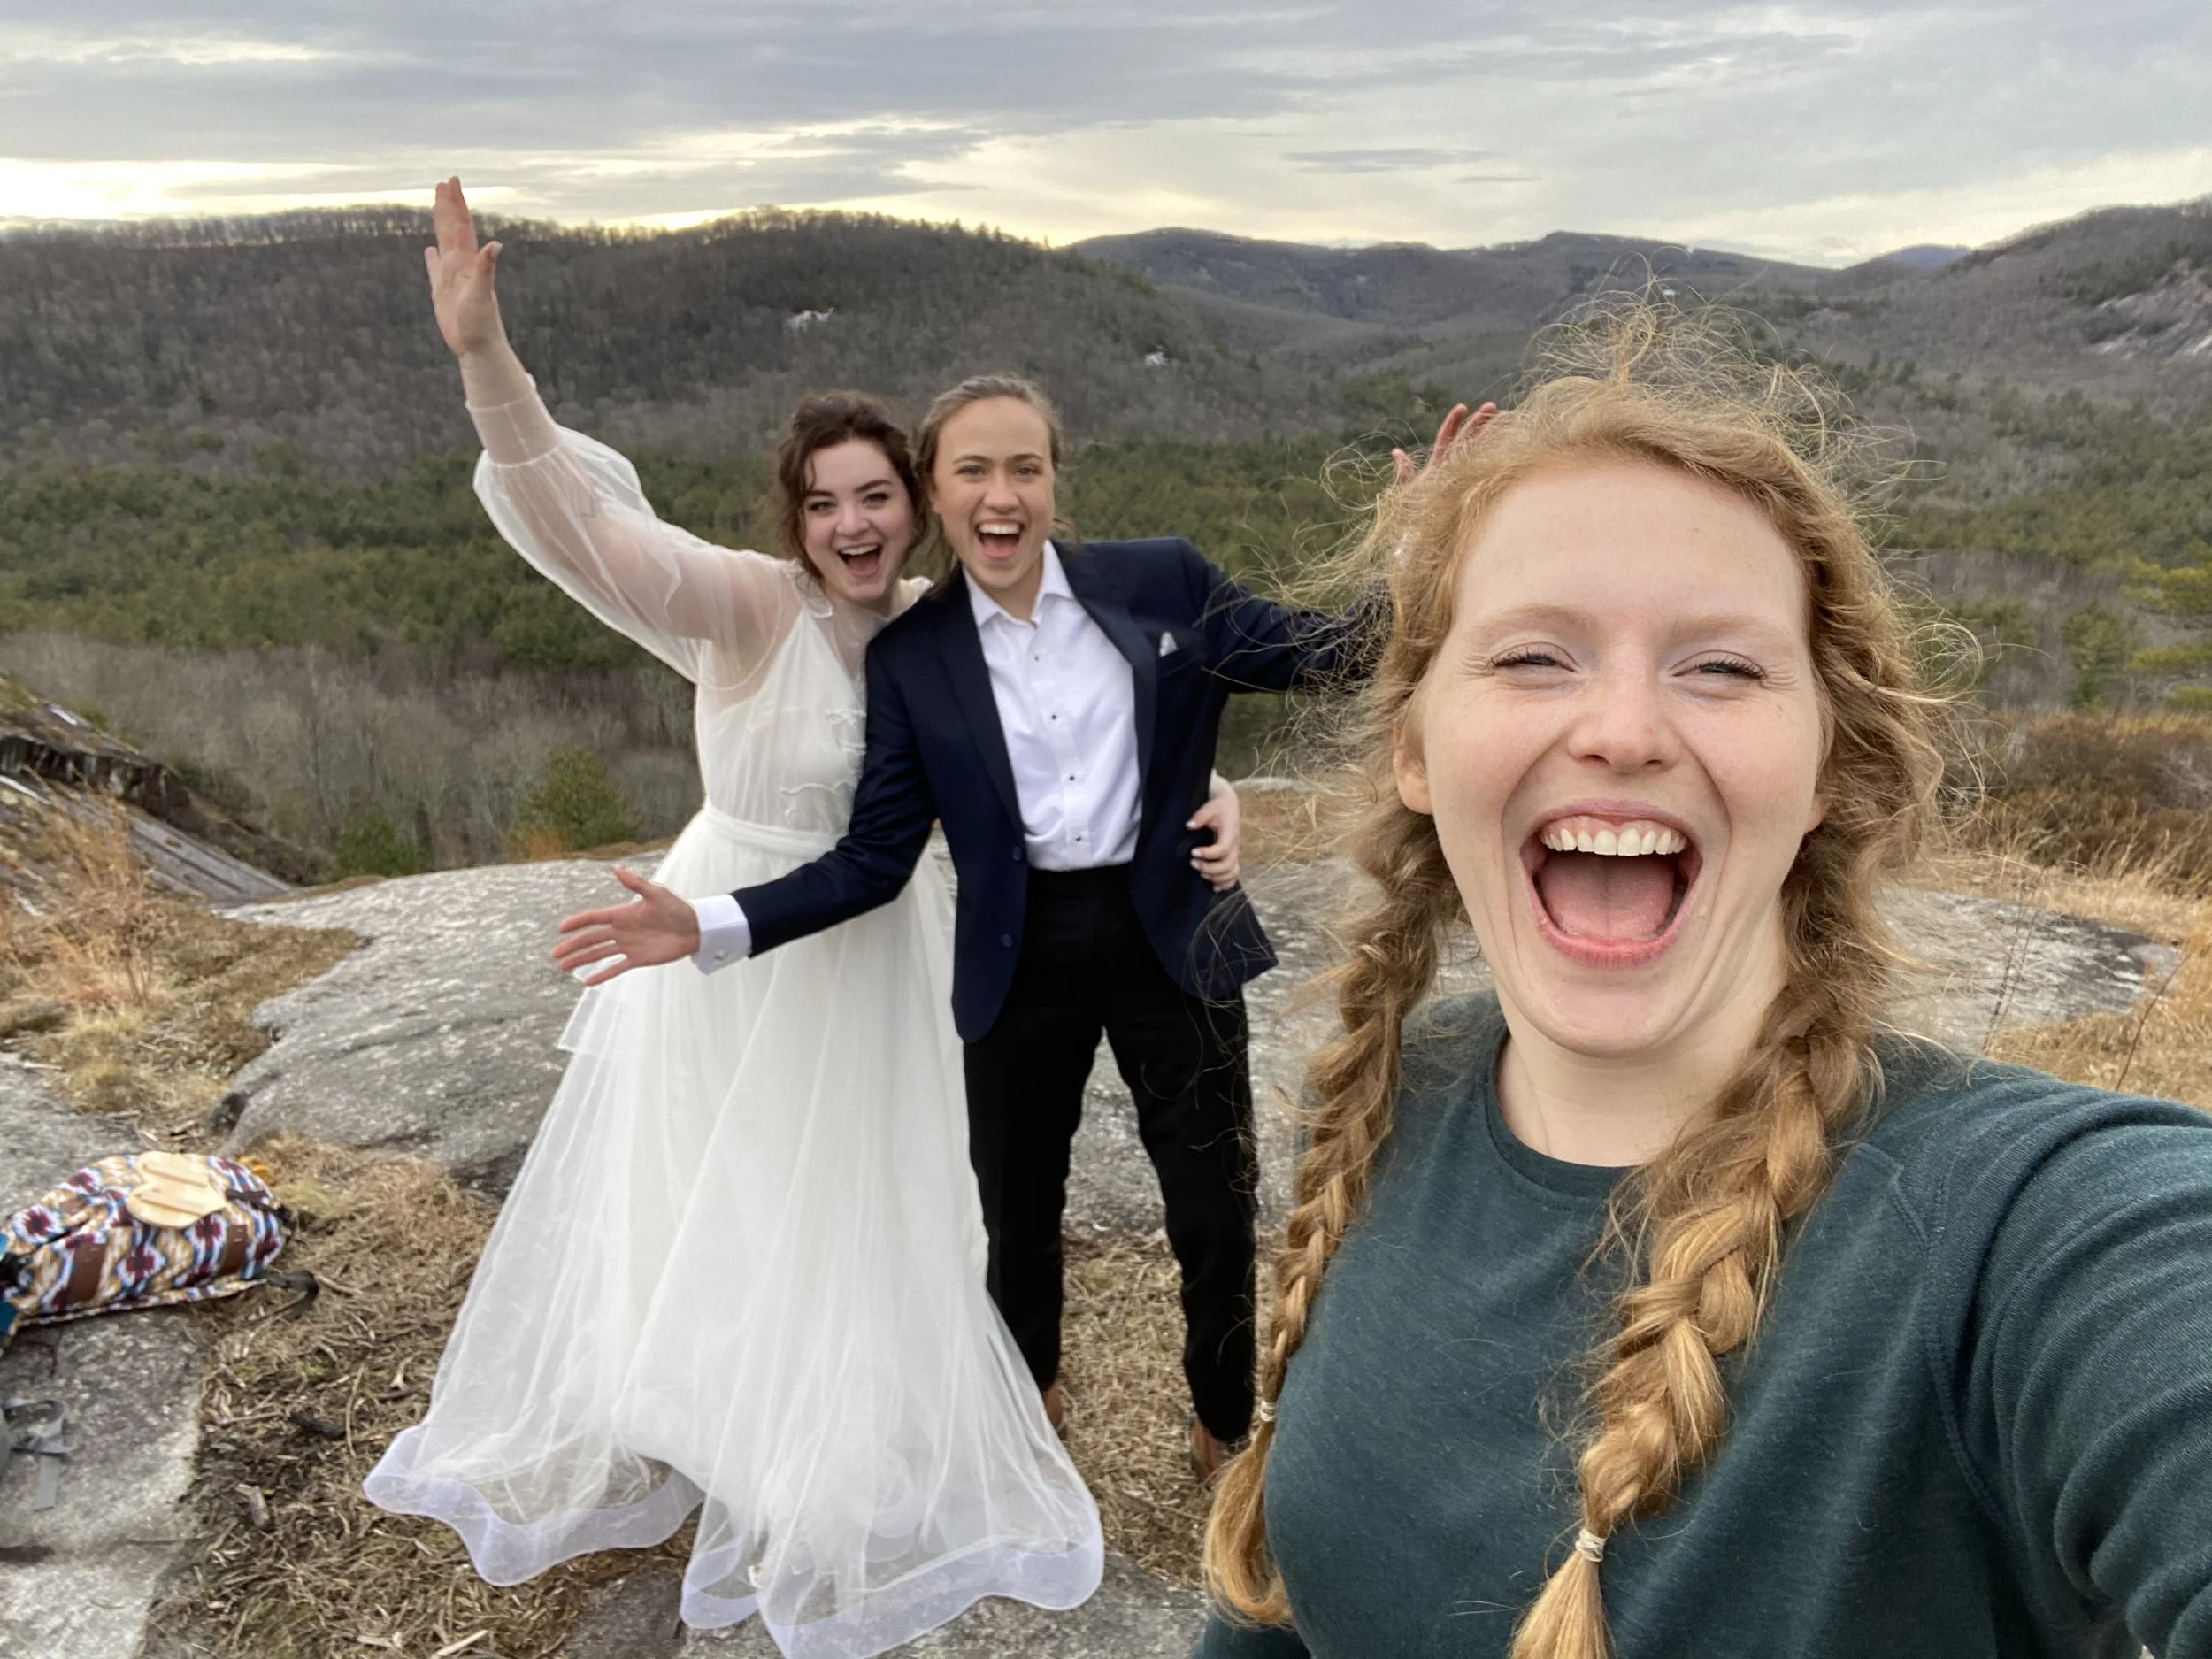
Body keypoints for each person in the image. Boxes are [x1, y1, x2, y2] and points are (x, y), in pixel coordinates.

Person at [1194, 304, 2212, 1658]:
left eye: (1722, 665)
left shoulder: (2027, 1226)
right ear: (1417, 749)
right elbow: (1274, 1608)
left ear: (1831, 766)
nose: (1621, 729)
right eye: (1531, 654)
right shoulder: (1408, 1089)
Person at [365, 178, 1241, 1657]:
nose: (850, 522)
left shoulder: (947, 636)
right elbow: (580, 530)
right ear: (796, 515)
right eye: (823, 499)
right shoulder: (746, 607)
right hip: (720, 937)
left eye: (876, 495)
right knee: (719, 1194)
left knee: (861, 1205)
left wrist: (1224, 808)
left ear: (918, 503)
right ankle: (715, 1418)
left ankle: (830, 1427)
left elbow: (1086, 749)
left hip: (877, 956)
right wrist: (484, 359)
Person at [582, 372, 1490, 1482]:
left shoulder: (1162, 582)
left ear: (1055, 482)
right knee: (1015, 1214)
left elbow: (1324, 651)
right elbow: (874, 856)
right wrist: (713, 921)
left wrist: (1425, 543)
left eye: (1025, 467)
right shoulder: (912, 658)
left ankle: (1221, 1422)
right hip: (1018, 955)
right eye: (972, 470)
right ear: (935, 492)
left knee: (1210, 1204)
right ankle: (1028, 1413)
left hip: (1169, 933)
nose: (999, 493)